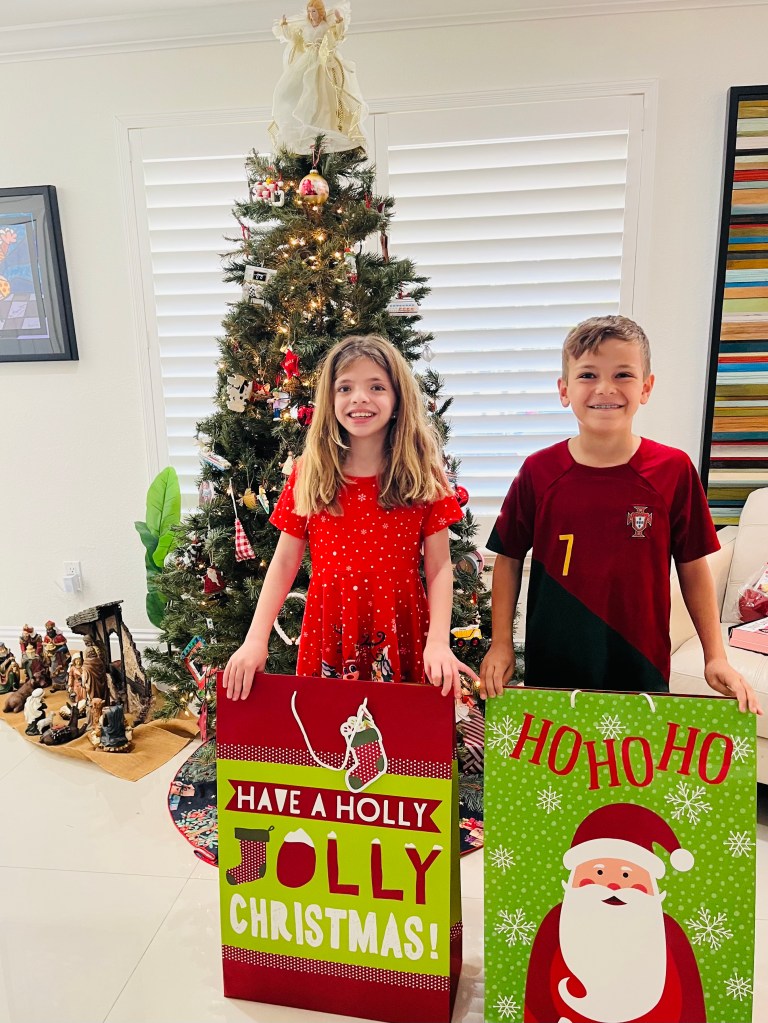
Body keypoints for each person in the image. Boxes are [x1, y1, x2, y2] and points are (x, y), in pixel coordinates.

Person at [480, 315, 762, 714]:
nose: (605, 389)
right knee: (559, 756)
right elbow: (508, 559)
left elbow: (693, 567)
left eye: (623, 374)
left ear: (646, 387)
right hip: (553, 666)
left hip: (640, 666)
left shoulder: (674, 470)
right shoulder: (538, 471)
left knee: (634, 756)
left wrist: (714, 656)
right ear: (564, 390)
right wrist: (501, 643)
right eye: (588, 375)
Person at [224, 333, 478, 700]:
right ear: (330, 399)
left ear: (398, 398)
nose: (359, 398)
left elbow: (439, 566)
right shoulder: (309, 472)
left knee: (401, 728)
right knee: (328, 727)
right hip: (330, 631)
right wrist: (255, 639)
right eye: (345, 388)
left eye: (376, 387)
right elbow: (284, 562)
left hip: (403, 629)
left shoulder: (424, 473)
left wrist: (438, 641)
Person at [524, 803, 706, 1023]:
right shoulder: (556, 921)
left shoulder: (667, 931)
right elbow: (537, 992)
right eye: (599, 872)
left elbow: (691, 1001)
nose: (613, 885)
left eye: (627, 875)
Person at [269, 0, 367, 154]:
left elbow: (338, 35)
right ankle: (305, 121)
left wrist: (339, 20)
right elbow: (293, 38)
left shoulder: (326, 26)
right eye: (309, 11)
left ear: (320, 13)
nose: (311, 14)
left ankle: (323, 124)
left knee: (323, 93)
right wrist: (285, 25)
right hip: (307, 61)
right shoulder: (305, 27)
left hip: (322, 62)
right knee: (293, 89)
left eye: (313, 11)